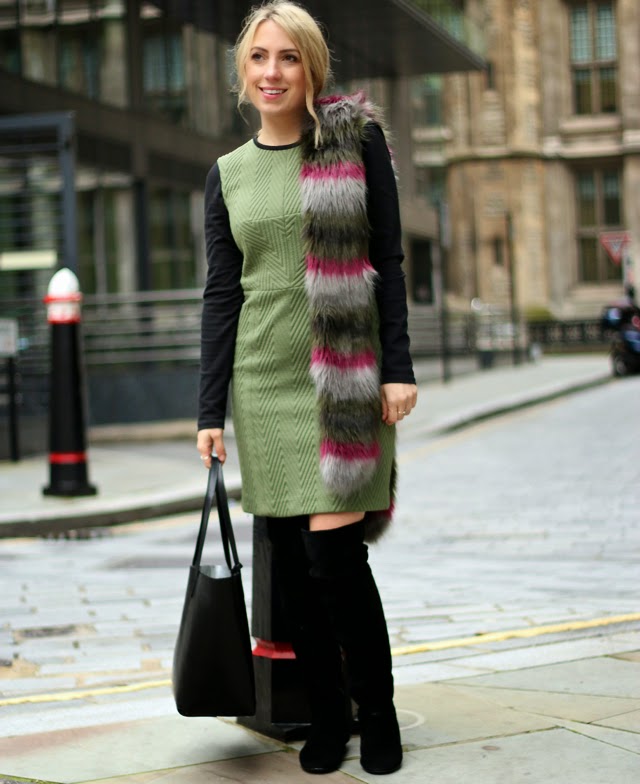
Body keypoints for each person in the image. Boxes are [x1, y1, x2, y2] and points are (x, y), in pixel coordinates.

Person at [196, 0, 417, 775]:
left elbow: (388, 258)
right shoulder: (227, 175)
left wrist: (398, 366)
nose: (273, 72)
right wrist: (209, 409)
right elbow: (222, 296)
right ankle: (329, 716)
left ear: (312, 68)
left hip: (345, 380)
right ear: (242, 72)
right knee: (293, 572)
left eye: (288, 57)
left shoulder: (353, 144)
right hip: (262, 385)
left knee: (336, 562)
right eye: (259, 57)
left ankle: (377, 712)